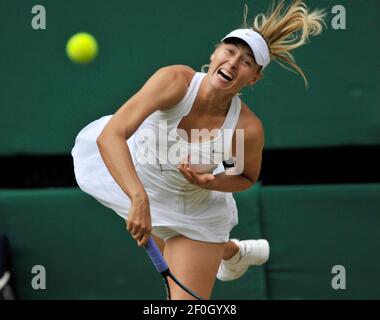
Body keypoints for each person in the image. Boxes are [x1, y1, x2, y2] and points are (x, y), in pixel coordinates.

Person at [72, 0, 326, 300]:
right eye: (230, 51)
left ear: (254, 78)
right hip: (137, 185)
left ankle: (222, 249)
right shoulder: (174, 81)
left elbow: (245, 177)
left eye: (246, 62)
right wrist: (138, 198)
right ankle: (232, 252)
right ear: (215, 52)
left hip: (195, 212)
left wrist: (212, 182)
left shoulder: (247, 128)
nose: (233, 62)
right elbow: (111, 135)